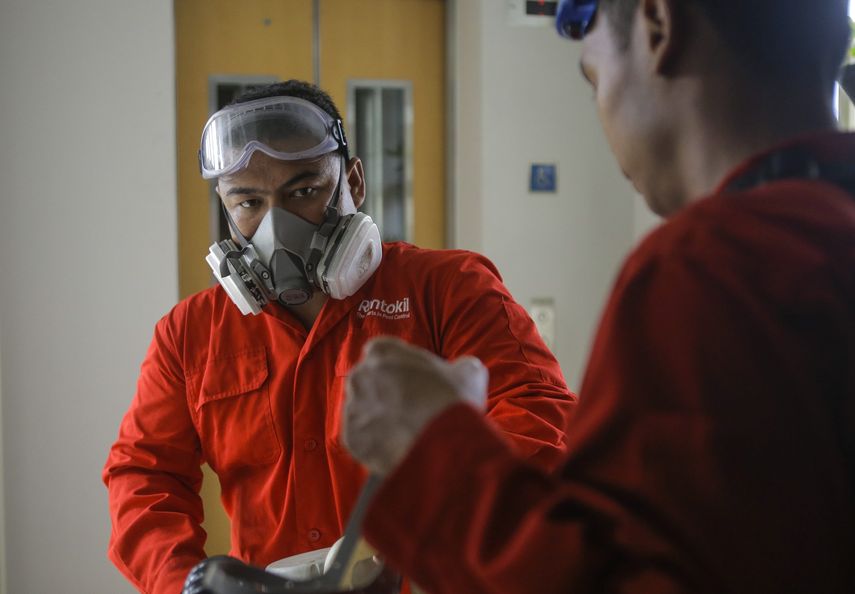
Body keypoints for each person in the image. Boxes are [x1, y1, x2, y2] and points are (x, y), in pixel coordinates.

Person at [342, 1, 855, 593]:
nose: (604, 115)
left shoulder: (711, 266)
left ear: (659, 27)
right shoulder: (821, 237)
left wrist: (429, 450)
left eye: (594, 80)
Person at [102, 80, 576, 594]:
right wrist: (183, 582)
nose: (273, 225)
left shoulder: (449, 289)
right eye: (248, 203)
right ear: (225, 206)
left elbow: (540, 418)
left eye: (303, 191)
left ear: (354, 181)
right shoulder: (188, 334)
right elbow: (142, 477)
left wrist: (423, 531)